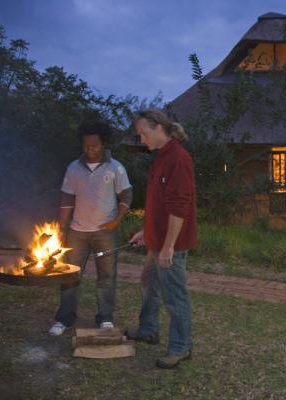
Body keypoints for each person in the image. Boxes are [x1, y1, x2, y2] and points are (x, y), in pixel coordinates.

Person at [127, 109, 197, 369]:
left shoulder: (178, 158)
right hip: (157, 241)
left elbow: (180, 205)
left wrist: (168, 245)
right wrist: (147, 231)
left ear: (158, 128)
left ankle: (181, 347)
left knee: (174, 295)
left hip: (171, 245)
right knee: (149, 284)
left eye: (143, 134)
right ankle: (148, 329)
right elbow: (158, 203)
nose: (142, 140)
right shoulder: (160, 158)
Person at [49, 121, 132, 336]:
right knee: (69, 275)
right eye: (85, 145)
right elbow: (66, 200)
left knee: (106, 277)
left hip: (105, 232)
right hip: (77, 232)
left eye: (94, 146)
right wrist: (62, 227)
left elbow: (126, 194)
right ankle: (65, 318)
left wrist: (117, 219)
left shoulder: (116, 167)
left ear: (103, 144)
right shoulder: (73, 168)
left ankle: (105, 317)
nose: (89, 149)